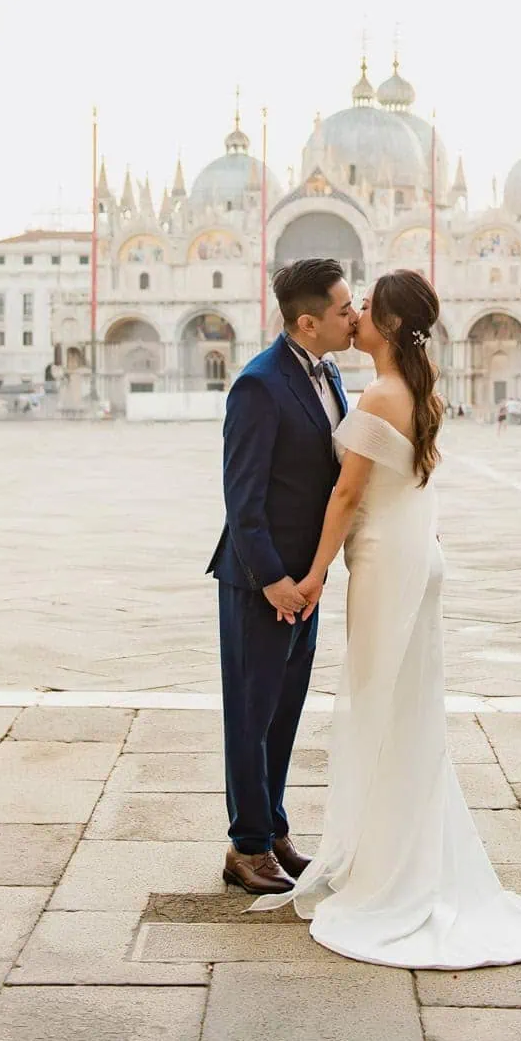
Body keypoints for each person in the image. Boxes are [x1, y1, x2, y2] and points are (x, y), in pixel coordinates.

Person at [262, 268, 521, 970]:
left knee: (382, 715)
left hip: (388, 562)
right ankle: (394, 855)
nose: (354, 320)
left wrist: (315, 571)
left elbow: (348, 495)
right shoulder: (411, 387)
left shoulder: (381, 394)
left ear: (386, 326)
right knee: (405, 716)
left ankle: (391, 872)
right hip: (415, 556)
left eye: (365, 311)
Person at [208, 257, 357, 894]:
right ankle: (245, 846)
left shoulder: (331, 375)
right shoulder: (259, 384)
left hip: (307, 581)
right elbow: (242, 498)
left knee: (285, 711)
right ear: (307, 322)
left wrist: (312, 575)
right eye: (345, 310)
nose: (356, 317)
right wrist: (273, 579)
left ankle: (272, 829)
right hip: (260, 584)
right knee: (251, 712)